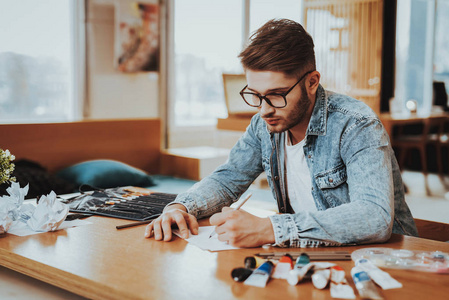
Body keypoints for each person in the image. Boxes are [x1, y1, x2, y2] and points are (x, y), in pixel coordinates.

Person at [145, 19, 418, 248]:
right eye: (256, 95)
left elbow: (374, 217)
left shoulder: (357, 125)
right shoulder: (263, 125)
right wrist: (181, 207)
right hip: (311, 254)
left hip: (385, 259)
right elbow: (228, 179)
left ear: (312, 82)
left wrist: (270, 229)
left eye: (276, 95)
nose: (264, 110)